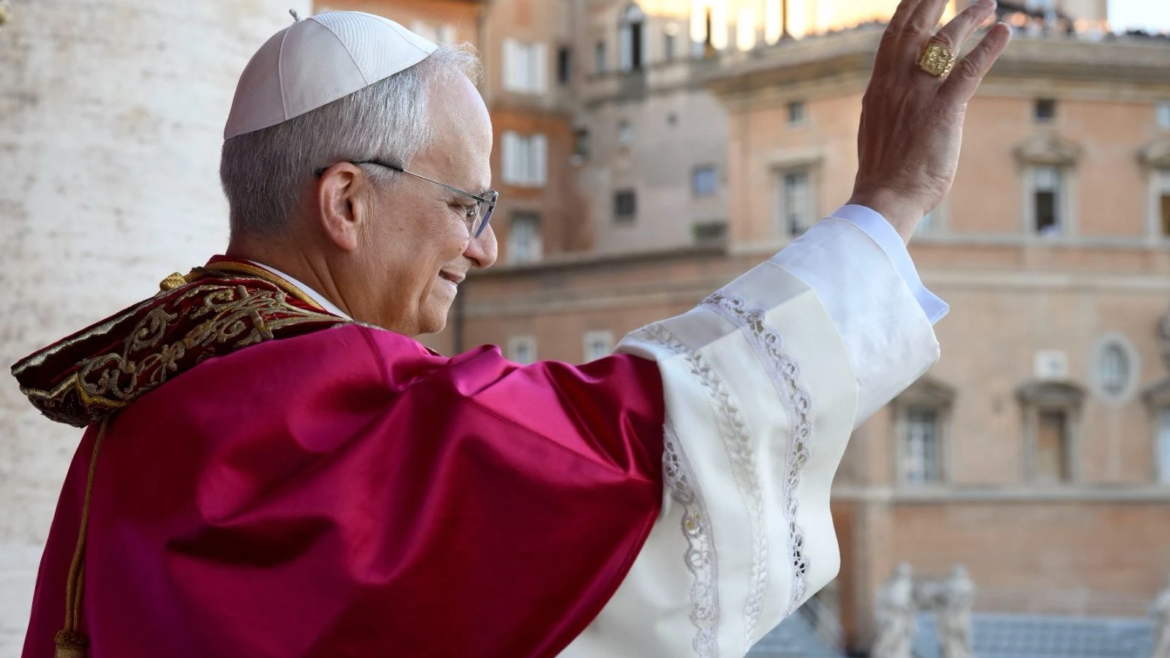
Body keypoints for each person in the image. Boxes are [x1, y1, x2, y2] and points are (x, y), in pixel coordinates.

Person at [11, 2, 1010, 657]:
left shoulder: (139, 409)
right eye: (467, 206)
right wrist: (887, 206)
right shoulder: (334, 401)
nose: (485, 250)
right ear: (347, 202)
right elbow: (640, 448)